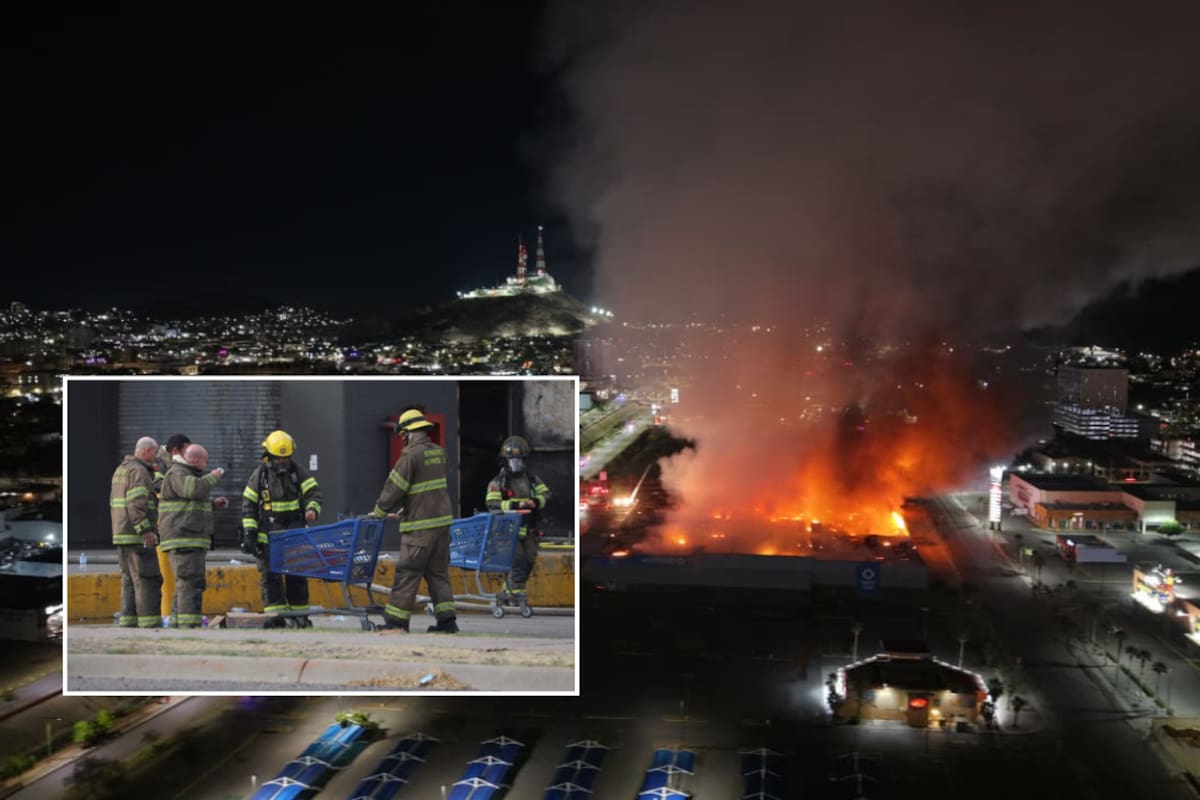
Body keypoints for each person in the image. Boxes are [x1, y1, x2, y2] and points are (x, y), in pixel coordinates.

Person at [370, 407, 457, 633]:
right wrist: (409, 506)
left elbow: (394, 488)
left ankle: (396, 623)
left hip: (419, 528)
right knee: (438, 574)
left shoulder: (410, 456)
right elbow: (429, 488)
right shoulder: (440, 453)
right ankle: (447, 622)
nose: (402, 440)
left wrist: (379, 511)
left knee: (408, 573)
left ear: (408, 433)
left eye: (403, 436)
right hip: (442, 524)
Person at [241, 430, 322, 629]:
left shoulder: (298, 472)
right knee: (270, 577)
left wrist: (312, 509)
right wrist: (249, 534)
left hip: (294, 533)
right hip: (268, 536)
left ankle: (299, 616)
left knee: (297, 575)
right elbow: (248, 504)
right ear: (269, 455)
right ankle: (276, 616)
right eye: (279, 458)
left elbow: (315, 494)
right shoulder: (260, 475)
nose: (283, 462)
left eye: (286, 458)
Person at [158, 444, 227, 629]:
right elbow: (192, 490)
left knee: (186, 582)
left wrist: (212, 504)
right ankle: (189, 625)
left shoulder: (186, 474)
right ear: (196, 460)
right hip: (183, 537)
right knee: (189, 581)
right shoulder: (179, 473)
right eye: (205, 461)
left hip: (189, 537)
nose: (206, 465)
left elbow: (188, 502)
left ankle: (176, 622)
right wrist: (213, 477)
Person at [485, 435, 551, 601]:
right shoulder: (498, 482)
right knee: (518, 560)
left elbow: (546, 493)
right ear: (505, 460)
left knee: (529, 559)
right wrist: (515, 506)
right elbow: (492, 503)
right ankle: (516, 593)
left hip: (528, 528)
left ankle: (509, 590)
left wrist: (536, 501)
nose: (516, 464)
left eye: (518, 460)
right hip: (508, 530)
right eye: (512, 460)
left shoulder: (531, 479)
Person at [109, 436, 164, 629]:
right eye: (155, 453)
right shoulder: (138, 472)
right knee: (147, 579)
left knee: (129, 581)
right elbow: (137, 504)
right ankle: (150, 624)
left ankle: (128, 622)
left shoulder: (121, 470)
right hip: (136, 535)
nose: (156, 457)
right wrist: (146, 531)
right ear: (147, 451)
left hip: (121, 534)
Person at [154, 433, 190, 625]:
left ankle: (171, 616)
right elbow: (159, 486)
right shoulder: (159, 464)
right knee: (167, 576)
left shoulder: (173, 466)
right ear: (175, 451)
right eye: (186, 451)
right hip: (165, 526)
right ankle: (167, 616)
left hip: (174, 526)